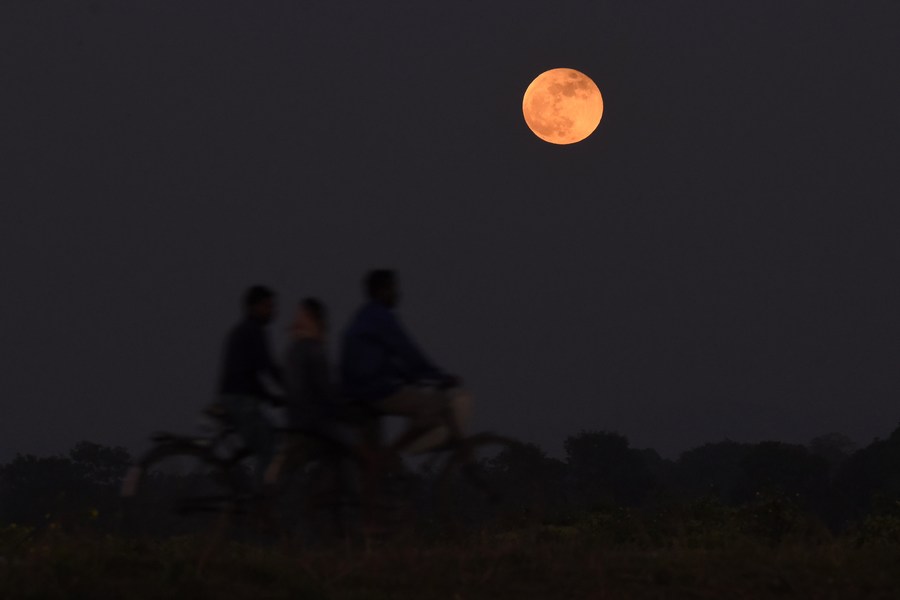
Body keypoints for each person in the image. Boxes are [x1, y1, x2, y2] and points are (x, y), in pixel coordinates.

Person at [340, 269, 467, 454]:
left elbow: (387, 360)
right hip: (375, 390)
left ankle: (383, 464)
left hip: (356, 390)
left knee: (371, 458)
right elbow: (408, 352)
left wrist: (409, 377)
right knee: (433, 405)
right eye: (393, 288)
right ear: (382, 290)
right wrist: (440, 377)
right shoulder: (382, 317)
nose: (397, 294)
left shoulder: (363, 316)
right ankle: (394, 452)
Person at [217, 285, 282, 488]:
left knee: (257, 440)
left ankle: (248, 495)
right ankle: (259, 501)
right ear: (253, 307)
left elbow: (255, 372)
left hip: (235, 397)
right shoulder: (253, 331)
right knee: (269, 447)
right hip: (241, 400)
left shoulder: (242, 331)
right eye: (267, 306)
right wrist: (290, 392)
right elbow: (268, 368)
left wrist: (271, 395)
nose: (272, 311)